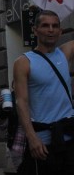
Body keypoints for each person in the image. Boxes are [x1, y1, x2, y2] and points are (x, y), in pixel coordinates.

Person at [13, 9, 74, 174]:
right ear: (35, 30)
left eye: (55, 26)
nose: (51, 30)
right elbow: (21, 102)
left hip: (70, 139)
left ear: (61, 31)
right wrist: (32, 138)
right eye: (45, 25)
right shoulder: (24, 62)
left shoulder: (64, 53)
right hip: (43, 144)